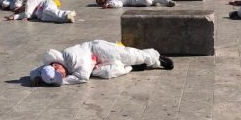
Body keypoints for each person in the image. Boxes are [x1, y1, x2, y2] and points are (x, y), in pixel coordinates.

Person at [29, 39, 174, 86]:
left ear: (56, 65)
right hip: (94, 63)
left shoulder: (71, 58)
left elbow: (82, 77)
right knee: (108, 72)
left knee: (130, 54)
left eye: (60, 73)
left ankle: (155, 58)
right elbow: (37, 70)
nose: (63, 75)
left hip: (98, 50)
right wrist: (37, 77)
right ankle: (133, 67)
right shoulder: (54, 64)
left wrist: (63, 82)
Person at [4, 0, 76, 23]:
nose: (20, 11)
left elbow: (29, 9)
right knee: (47, 18)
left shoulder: (29, 2)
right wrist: (13, 17)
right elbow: (22, 15)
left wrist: (26, 16)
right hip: (41, 15)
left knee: (48, 10)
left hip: (45, 4)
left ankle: (67, 13)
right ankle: (67, 19)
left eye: (19, 9)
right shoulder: (28, 12)